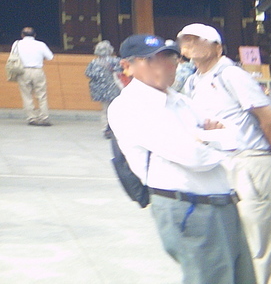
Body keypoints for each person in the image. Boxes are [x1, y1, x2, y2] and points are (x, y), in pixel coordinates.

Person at [177, 23, 271, 284]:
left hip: (251, 161)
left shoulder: (231, 75)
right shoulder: (192, 82)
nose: (191, 44)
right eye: (186, 40)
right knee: (270, 237)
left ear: (217, 47)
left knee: (268, 244)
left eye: (198, 39)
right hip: (225, 164)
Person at [108, 34, 255, 284]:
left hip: (222, 203)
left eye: (171, 57)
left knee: (241, 277)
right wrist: (211, 139)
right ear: (127, 66)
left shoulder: (180, 101)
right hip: (188, 206)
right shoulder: (130, 106)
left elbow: (237, 136)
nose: (166, 65)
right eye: (152, 60)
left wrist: (204, 138)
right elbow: (193, 156)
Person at [14, 27, 54, 126]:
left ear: (22, 35)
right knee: (41, 95)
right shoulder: (41, 44)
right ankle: (44, 117)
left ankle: (32, 118)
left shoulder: (17, 44)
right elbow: (50, 57)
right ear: (34, 35)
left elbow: (13, 56)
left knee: (27, 95)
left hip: (23, 71)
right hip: (37, 71)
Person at [84, 40, 121, 138]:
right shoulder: (115, 61)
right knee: (116, 109)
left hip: (101, 90)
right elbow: (121, 72)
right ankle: (114, 128)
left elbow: (88, 74)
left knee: (105, 110)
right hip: (114, 88)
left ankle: (105, 129)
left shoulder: (94, 62)